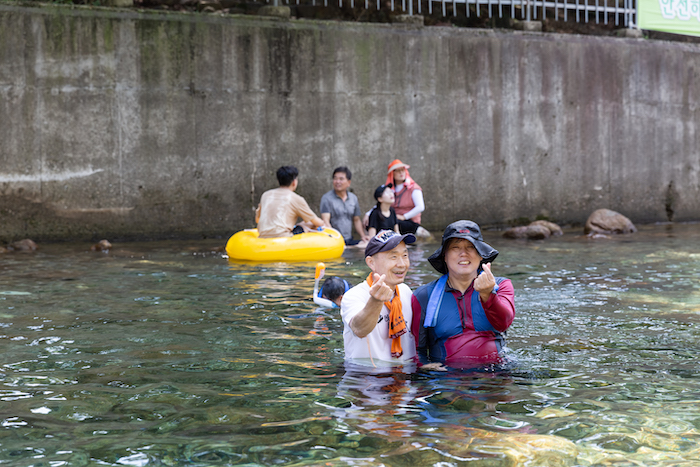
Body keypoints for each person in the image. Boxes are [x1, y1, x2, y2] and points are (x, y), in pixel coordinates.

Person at [411, 220, 515, 368]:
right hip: (447, 380)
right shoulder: (423, 296)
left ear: (481, 255)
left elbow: (504, 323)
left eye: (471, 247)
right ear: (444, 256)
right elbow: (416, 350)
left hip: (495, 377)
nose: (463, 253)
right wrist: (424, 366)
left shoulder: (501, 286)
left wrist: (488, 295)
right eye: (455, 247)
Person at [340, 230, 417, 366]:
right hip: (366, 377)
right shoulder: (354, 295)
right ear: (371, 263)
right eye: (393, 257)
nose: (401, 264)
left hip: (404, 375)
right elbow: (359, 329)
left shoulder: (405, 291)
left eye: (405, 255)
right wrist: (376, 301)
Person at [255, 166, 325, 238]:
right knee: (309, 223)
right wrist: (323, 223)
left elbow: (257, 220)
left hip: (262, 236)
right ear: (294, 182)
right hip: (284, 237)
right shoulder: (296, 198)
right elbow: (318, 222)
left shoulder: (266, 195)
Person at [320, 167, 369, 246]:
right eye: (335, 179)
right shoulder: (326, 198)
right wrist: (335, 239)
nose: (337, 182)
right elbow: (326, 221)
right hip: (335, 240)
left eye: (341, 179)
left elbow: (356, 220)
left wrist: (363, 236)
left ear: (348, 182)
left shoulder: (353, 198)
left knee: (367, 245)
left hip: (349, 239)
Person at [385, 159, 430, 238]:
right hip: (394, 219)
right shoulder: (389, 189)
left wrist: (404, 217)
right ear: (392, 174)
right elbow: (381, 202)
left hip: (409, 222)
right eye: (398, 171)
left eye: (403, 170)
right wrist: (368, 215)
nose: (401, 173)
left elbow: (420, 207)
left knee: (389, 222)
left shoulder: (414, 188)